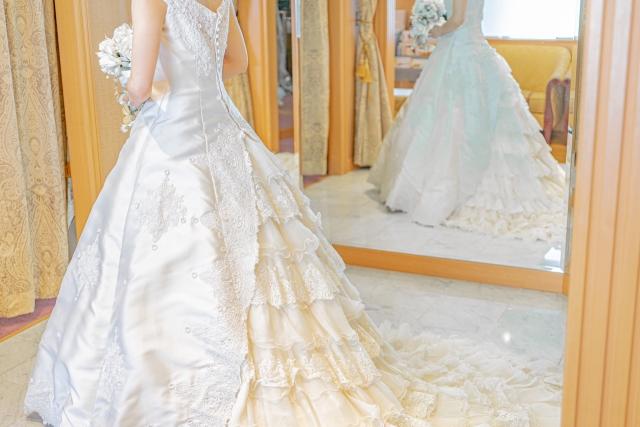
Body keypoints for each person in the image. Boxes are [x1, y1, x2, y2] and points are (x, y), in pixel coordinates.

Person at [24, 0, 561, 425]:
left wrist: (129, 72)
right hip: (223, 127)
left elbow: (140, 86)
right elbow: (236, 63)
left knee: (156, 254)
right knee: (252, 241)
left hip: (173, 134)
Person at [369, 0, 566, 242]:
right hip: (468, 49)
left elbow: (457, 20)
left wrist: (434, 30)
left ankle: (438, 192)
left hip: (460, 53)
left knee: (451, 119)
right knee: (450, 116)